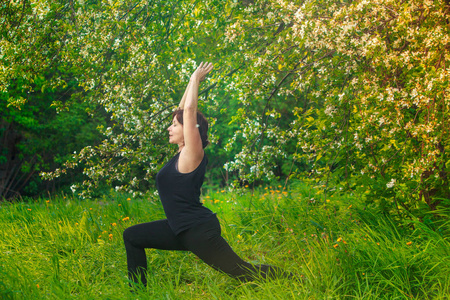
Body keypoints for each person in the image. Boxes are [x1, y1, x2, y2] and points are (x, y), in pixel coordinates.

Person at [123, 62, 286, 287]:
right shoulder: (180, 153)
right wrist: (190, 88)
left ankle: (293, 279)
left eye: (174, 125)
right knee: (132, 236)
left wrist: (194, 79)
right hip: (178, 228)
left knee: (243, 272)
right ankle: (137, 292)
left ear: (188, 131)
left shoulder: (193, 153)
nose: (169, 128)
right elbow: (183, 110)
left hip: (198, 230)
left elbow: (188, 112)